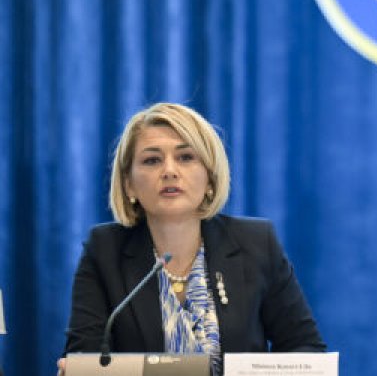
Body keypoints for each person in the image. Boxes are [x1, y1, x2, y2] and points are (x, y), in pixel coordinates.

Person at [58, 103, 325, 375]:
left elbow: (305, 347)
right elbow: (85, 357)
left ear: (210, 177)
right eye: (152, 160)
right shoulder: (104, 251)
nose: (170, 171)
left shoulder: (256, 243)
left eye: (186, 157)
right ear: (129, 184)